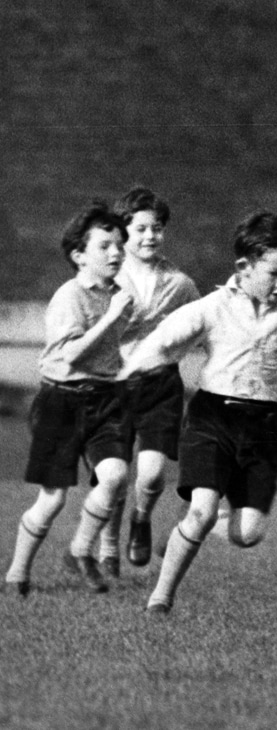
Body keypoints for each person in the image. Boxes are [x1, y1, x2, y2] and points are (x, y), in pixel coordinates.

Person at [119, 211, 277, 614]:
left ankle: (191, 522)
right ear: (244, 267)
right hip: (212, 418)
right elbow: (162, 342)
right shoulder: (212, 307)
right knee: (203, 511)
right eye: (276, 273)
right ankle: (162, 596)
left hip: (264, 428)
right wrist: (127, 376)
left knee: (248, 534)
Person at [4, 201, 134, 596]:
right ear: (79, 256)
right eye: (105, 246)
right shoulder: (69, 297)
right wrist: (112, 317)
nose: (116, 252)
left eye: (119, 245)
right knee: (53, 498)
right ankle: (17, 574)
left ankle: (80, 550)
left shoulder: (119, 295)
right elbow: (72, 354)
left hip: (106, 399)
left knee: (114, 476)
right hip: (61, 401)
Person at [95, 187, 200, 578]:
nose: (150, 236)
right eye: (140, 228)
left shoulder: (180, 283)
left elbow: (203, 325)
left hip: (160, 386)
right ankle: (107, 545)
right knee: (113, 474)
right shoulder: (106, 276)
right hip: (112, 386)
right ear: (123, 231)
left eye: (157, 228)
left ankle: (141, 518)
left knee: (152, 473)